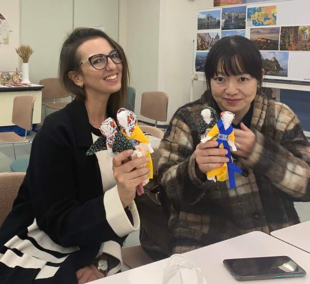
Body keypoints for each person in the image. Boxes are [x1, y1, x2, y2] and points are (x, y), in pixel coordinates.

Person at [0, 28, 150, 284]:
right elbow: (57, 224)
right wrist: (121, 196)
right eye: (97, 60)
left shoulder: (119, 129)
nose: (112, 65)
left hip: (95, 242)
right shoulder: (56, 132)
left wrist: (104, 260)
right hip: (38, 244)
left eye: (114, 56)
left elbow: (127, 206)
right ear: (77, 77)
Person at [158, 35, 310, 254]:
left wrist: (263, 154)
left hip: (275, 235)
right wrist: (195, 169)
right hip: (205, 240)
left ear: (259, 78)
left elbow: (306, 187)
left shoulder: (279, 117)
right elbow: (166, 188)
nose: (230, 90)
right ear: (209, 80)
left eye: (242, 79)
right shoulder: (189, 119)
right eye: (220, 79)